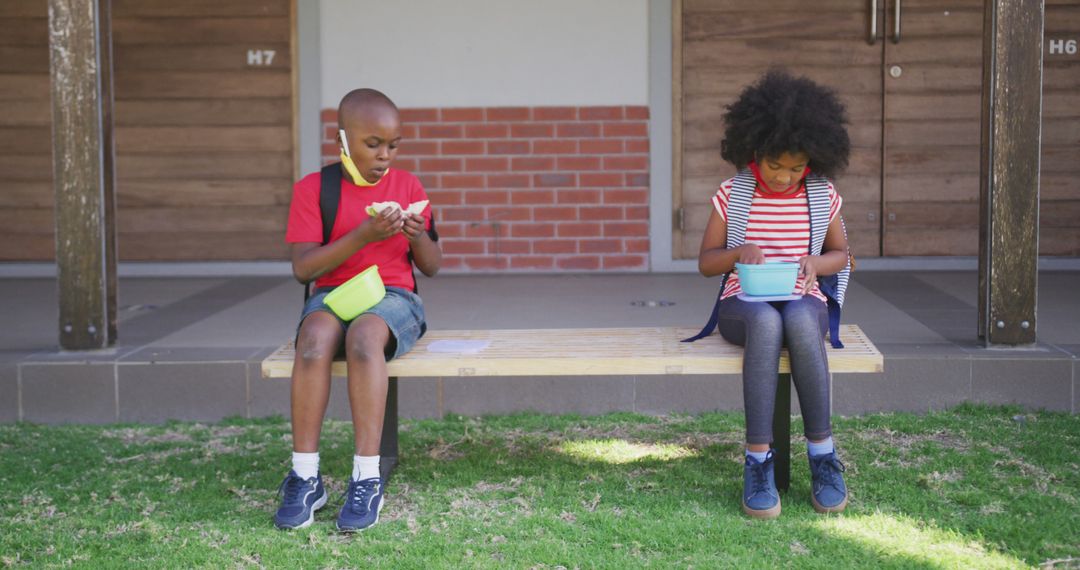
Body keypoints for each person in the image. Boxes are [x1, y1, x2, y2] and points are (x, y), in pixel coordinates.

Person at [275, 88, 441, 531]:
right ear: (342, 141)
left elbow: (432, 266)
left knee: (365, 337)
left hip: (394, 297)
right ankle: (305, 475)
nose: (384, 155)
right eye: (373, 144)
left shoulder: (408, 187)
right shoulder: (315, 190)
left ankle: (367, 477)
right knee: (313, 341)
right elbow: (303, 268)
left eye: (393, 145)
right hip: (333, 294)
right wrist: (364, 235)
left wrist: (415, 235)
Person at [695, 70, 852, 519]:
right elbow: (707, 263)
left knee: (800, 319)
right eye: (775, 166)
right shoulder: (734, 194)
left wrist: (815, 264)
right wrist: (737, 252)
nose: (785, 177)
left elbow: (841, 254)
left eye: (796, 168)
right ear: (755, 151)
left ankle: (822, 456)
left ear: (814, 161)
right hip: (742, 304)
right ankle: (758, 461)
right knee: (766, 321)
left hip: (804, 299)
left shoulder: (822, 195)